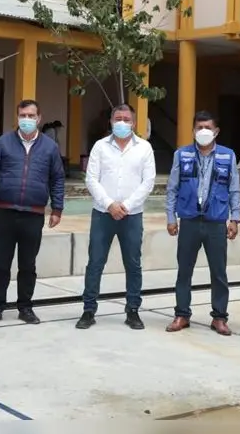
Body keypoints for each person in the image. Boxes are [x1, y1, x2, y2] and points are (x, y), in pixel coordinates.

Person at [0, 99, 65, 326]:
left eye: (30, 116)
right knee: (1, 264)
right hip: (6, 213)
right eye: (22, 115)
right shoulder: (4, 143)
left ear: (39, 118)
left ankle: (25, 307)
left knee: (28, 264)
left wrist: (57, 208)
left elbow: (57, 179)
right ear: (17, 117)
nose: (26, 120)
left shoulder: (49, 147)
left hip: (34, 215)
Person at [76, 104, 156, 330]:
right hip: (103, 214)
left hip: (132, 216)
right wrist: (110, 204)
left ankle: (133, 310)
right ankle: (88, 309)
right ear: (111, 121)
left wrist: (126, 206)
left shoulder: (144, 148)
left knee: (133, 264)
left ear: (134, 122)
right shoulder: (100, 147)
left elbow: (148, 182)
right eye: (118, 118)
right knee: (95, 262)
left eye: (126, 119)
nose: (122, 122)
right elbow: (91, 179)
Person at [164, 111, 240, 336]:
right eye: (199, 127)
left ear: (216, 131)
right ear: (193, 131)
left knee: (219, 272)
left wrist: (234, 219)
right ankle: (181, 314)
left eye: (208, 127)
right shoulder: (182, 154)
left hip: (216, 222)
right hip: (188, 221)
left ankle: (219, 317)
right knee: (184, 271)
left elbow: (235, 189)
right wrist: (171, 218)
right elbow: (172, 188)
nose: (203, 131)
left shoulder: (228, 155)